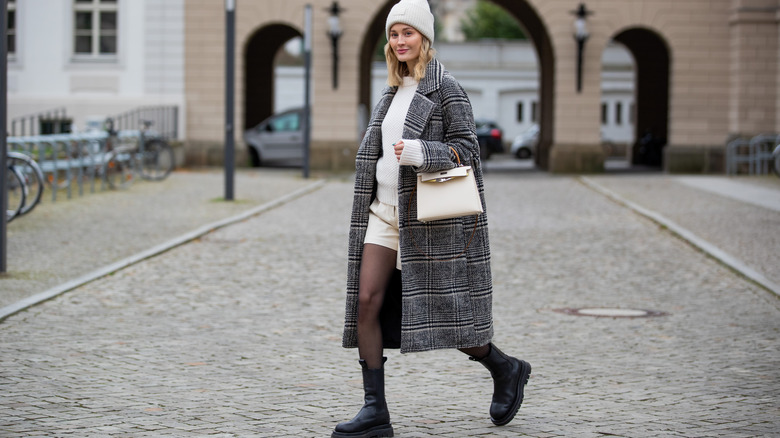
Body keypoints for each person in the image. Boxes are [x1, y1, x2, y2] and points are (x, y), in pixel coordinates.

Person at [333, 1, 531, 436]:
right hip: (383, 212)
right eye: (393, 34)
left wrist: (424, 154)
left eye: (408, 33)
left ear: (424, 37)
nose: (399, 41)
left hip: (429, 219)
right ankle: (374, 411)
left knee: (449, 316)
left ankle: (505, 368)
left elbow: (470, 150)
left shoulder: (446, 89)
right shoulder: (390, 91)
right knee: (366, 301)